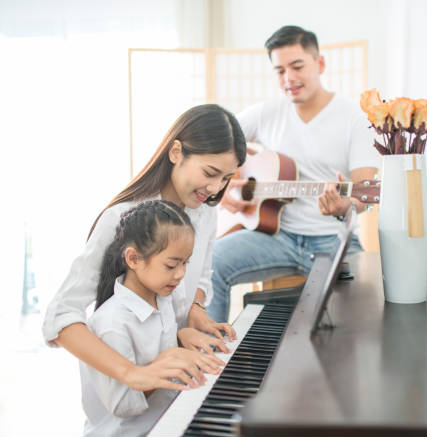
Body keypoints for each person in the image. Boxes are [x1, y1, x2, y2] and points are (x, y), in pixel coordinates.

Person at [43, 104, 246, 393]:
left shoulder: (205, 211)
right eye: (210, 173)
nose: (215, 189)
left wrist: (195, 311)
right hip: (127, 398)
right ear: (176, 152)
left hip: (174, 384)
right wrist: (133, 374)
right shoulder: (121, 219)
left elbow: (199, 278)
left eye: (226, 178)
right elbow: (60, 316)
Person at [207, 26, 379, 323]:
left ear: (320, 64)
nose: (289, 78)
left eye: (297, 66)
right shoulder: (264, 113)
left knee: (365, 306)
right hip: (276, 236)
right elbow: (213, 145)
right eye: (279, 70)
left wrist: (346, 205)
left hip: (333, 241)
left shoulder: (355, 118)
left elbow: (366, 191)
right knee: (208, 266)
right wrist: (221, 191)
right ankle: (210, 360)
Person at [80, 200, 213, 436]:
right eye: (172, 265)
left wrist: (183, 338)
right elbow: (123, 405)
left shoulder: (162, 298)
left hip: (168, 421)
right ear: (133, 259)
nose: (181, 274)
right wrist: (167, 363)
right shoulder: (112, 323)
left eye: (186, 263)